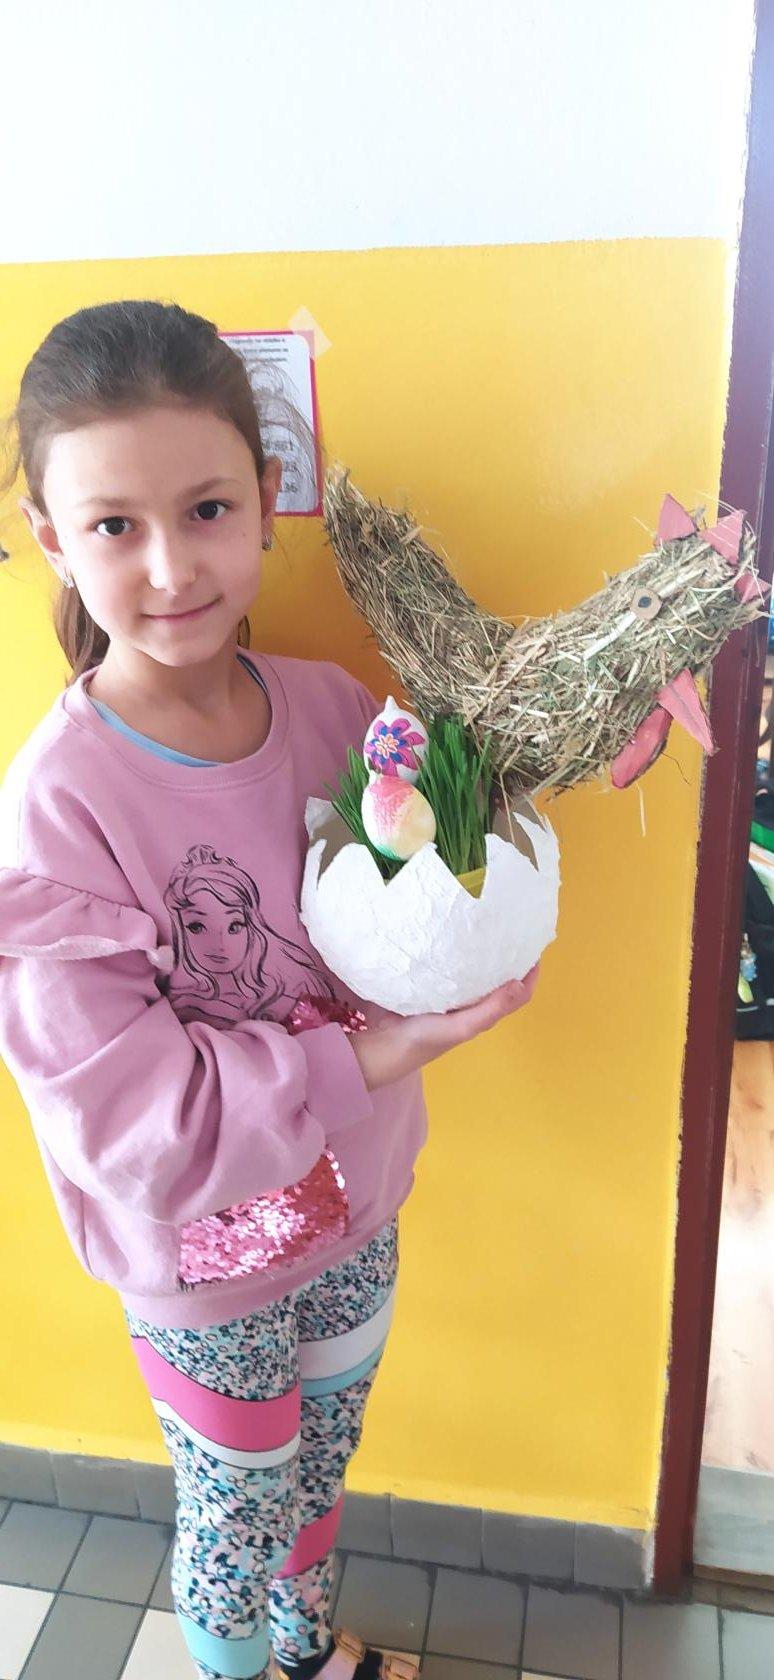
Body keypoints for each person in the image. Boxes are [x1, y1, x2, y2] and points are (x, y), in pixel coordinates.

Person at [0, 300, 539, 1680]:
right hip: (207, 1272)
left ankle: (306, 1651)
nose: (171, 567)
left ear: (267, 498)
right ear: (53, 539)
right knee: (234, 1518)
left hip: (357, 1213)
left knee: (317, 1481)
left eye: (208, 509)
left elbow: (421, 894)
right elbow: (130, 1127)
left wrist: (497, 884)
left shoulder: (339, 713)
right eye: (114, 525)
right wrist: (382, 1054)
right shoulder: (58, 808)